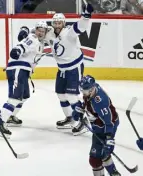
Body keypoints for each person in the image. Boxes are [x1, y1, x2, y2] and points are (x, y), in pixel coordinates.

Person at [17, 4, 94, 136]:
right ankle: (71, 117)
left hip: (74, 67)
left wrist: (86, 15)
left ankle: (83, 121)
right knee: (61, 94)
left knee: (71, 96)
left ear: (64, 23)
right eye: (55, 22)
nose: (57, 25)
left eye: (60, 22)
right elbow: (36, 30)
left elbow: (80, 26)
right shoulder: (50, 33)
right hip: (62, 68)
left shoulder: (69, 33)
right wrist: (24, 30)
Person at [0, 21, 48, 136]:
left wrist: (24, 29)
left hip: (24, 71)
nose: (40, 33)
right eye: (39, 30)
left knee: (24, 96)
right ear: (36, 30)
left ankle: (10, 116)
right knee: (15, 98)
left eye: (43, 31)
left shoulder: (41, 42)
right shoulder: (32, 38)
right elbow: (21, 47)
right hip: (18, 69)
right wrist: (18, 50)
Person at [72, 75, 121, 176]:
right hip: (99, 125)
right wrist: (80, 109)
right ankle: (114, 173)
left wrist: (109, 139)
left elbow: (109, 122)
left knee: (98, 157)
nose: (83, 93)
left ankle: (114, 173)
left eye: (84, 91)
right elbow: (87, 102)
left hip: (106, 127)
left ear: (91, 89)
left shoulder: (100, 102)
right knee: (97, 158)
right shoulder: (92, 90)